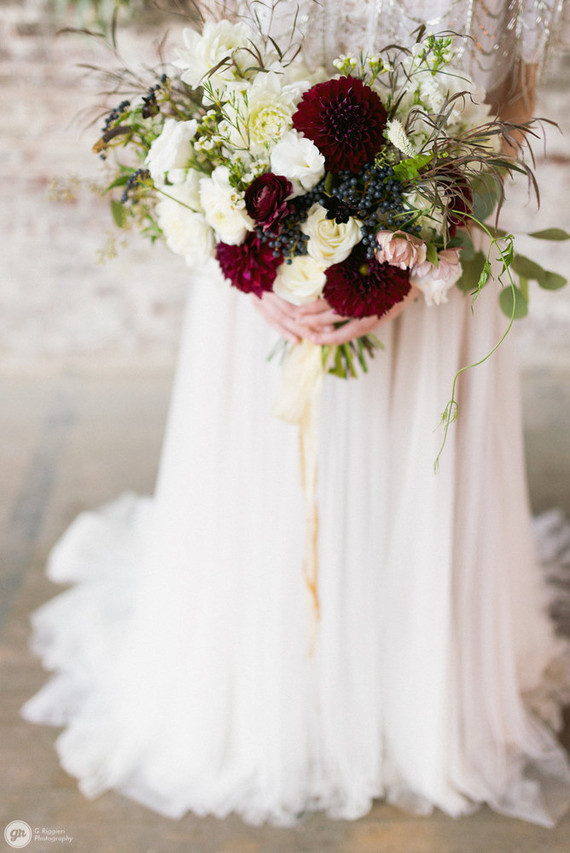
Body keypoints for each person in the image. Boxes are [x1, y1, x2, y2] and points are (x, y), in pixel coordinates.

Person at [21, 0, 570, 829]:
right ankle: (276, 691)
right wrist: (249, 255)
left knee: (404, 488)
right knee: (273, 500)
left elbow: (511, 106)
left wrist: (414, 265)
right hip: (269, 260)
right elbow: (207, 79)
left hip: (439, 264)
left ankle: (415, 698)